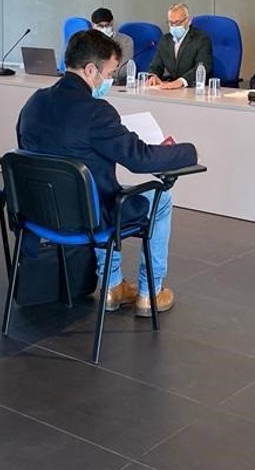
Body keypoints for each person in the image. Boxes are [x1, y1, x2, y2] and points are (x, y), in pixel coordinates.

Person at [17, 30, 197, 317]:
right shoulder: (96, 112)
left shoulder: (34, 102)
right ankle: (150, 292)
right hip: (86, 217)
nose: (109, 81)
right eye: (110, 73)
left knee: (99, 190)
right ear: (91, 70)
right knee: (160, 199)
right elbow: (140, 159)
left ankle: (112, 286)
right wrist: (188, 151)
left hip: (40, 212)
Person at [145, 2, 213, 90]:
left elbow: (203, 67)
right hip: (172, 89)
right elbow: (156, 65)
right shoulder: (165, 40)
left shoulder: (201, 39)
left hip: (194, 89)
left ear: (188, 21)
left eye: (178, 23)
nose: (174, 26)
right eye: (171, 23)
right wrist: (153, 76)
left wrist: (181, 82)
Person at [90, 7, 134, 83]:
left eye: (107, 25)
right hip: (92, 82)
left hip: (115, 82)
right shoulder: (88, 41)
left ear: (112, 23)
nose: (104, 29)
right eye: (100, 26)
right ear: (93, 25)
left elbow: (123, 70)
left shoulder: (126, 41)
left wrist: (100, 75)